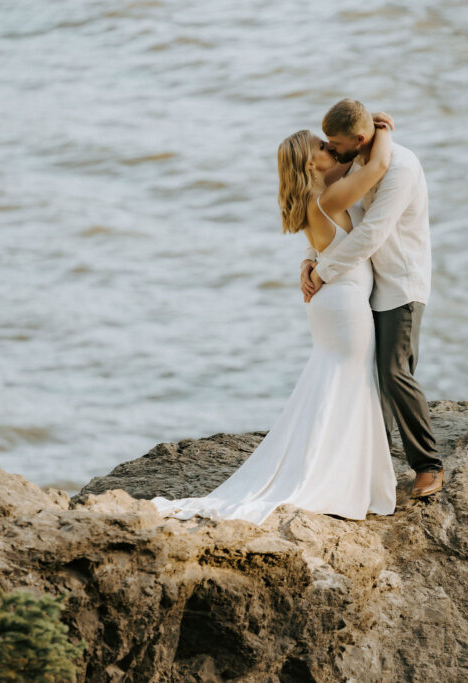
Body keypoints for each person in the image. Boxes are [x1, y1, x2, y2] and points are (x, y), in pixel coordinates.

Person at [149, 113, 399, 525]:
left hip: (333, 303)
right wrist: (385, 130)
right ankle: (333, 476)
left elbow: (353, 166)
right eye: (322, 147)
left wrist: (309, 260)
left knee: (335, 384)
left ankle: (342, 473)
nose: (330, 150)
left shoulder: (315, 198)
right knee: (347, 387)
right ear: (310, 163)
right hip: (343, 304)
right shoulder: (327, 199)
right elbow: (378, 167)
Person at [302, 99, 444, 499]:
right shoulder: (362, 162)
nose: (332, 150)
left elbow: (372, 233)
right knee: (371, 378)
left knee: (395, 372)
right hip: (367, 283)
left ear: (359, 139)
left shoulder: (400, 167)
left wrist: (322, 272)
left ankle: (429, 467)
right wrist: (310, 257)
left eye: (335, 142)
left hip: (401, 283)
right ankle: (372, 469)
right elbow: (339, 220)